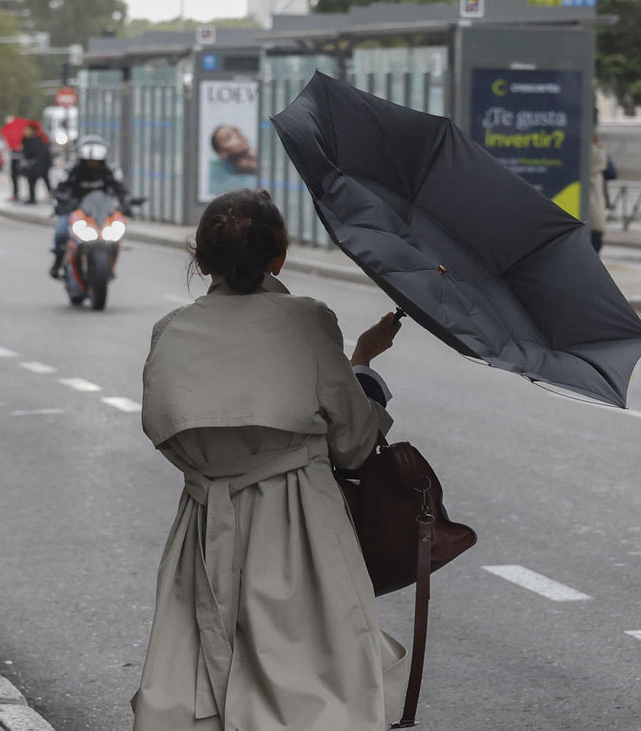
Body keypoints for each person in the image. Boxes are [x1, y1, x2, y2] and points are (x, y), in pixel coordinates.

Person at [133, 188, 409, 729]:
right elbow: (353, 440)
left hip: (207, 522)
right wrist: (363, 365)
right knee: (311, 682)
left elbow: (165, 429)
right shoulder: (308, 321)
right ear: (279, 256)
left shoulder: (170, 331)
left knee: (197, 675)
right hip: (298, 523)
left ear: (201, 258)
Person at [48, 136, 130, 278]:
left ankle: (109, 263)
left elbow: (121, 190)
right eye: (89, 160)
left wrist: (125, 204)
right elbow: (59, 190)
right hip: (76, 210)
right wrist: (64, 201)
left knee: (117, 232)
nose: (93, 163)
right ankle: (58, 262)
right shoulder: (70, 170)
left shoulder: (110, 171)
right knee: (61, 233)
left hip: (102, 211)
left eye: (96, 160)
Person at [589, 132, 616, 252]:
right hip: (596, 200)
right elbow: (612, 174)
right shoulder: (601, 153)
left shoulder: (574, 151)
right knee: (596, 237)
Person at [20, 123, 52, 205]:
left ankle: (52, 196)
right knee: (32, 182)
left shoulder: (37, 140)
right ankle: (32, 198)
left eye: (27, 130)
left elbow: (36, 153)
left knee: (44, 180)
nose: (25, 132)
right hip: (34, 165)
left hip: (39, 165)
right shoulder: (26, 140)